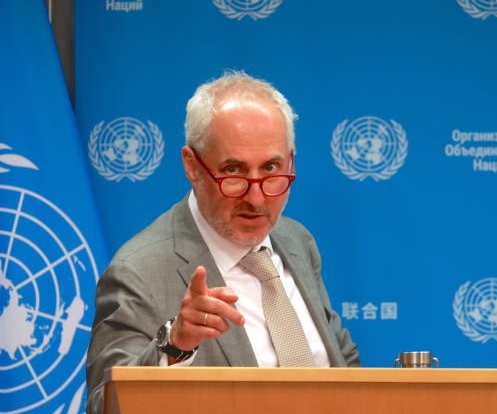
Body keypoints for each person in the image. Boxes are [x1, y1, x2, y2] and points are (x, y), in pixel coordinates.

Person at [86, 71, 360, 413]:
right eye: (233, 171)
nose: (256, 199)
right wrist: (174, 347)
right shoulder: (139, 270)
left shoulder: (296, 240)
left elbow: (341, 362)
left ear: (291, 159)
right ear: (192, 166)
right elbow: (103, 404)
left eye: (271, 168)